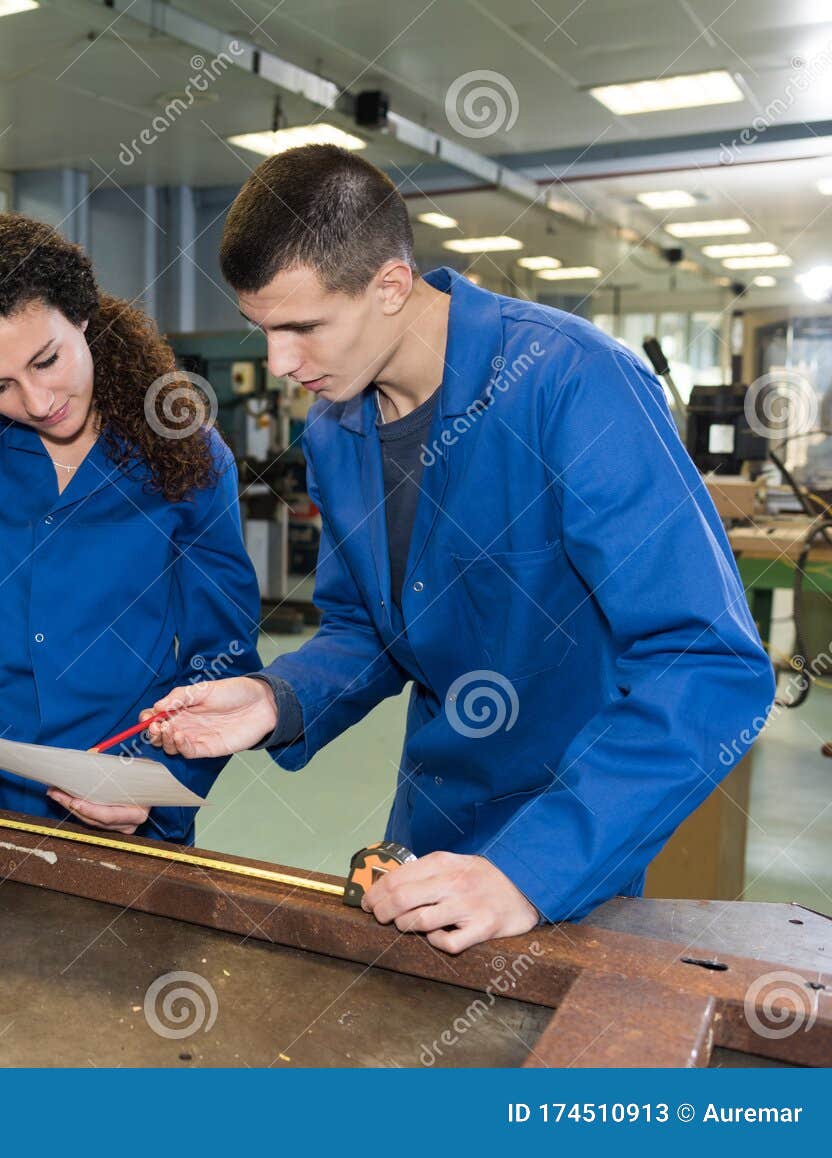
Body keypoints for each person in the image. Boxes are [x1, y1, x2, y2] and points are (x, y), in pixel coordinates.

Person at [143, 146, 776, 953]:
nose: (280, 363)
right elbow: (368, 627)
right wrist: (279, 697)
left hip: (576, 842)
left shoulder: (574, 385)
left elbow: (707, 662)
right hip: (429, 827)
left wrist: (529, 871)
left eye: (304, 328)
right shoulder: (338, 429)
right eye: (264, 330)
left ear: (391, 286)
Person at [0, 212, 261, 895]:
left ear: (80, 317)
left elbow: (221, 655)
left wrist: (161, 788)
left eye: (46, 361)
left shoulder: (188, 456)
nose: (38, 400)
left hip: (119, 823)